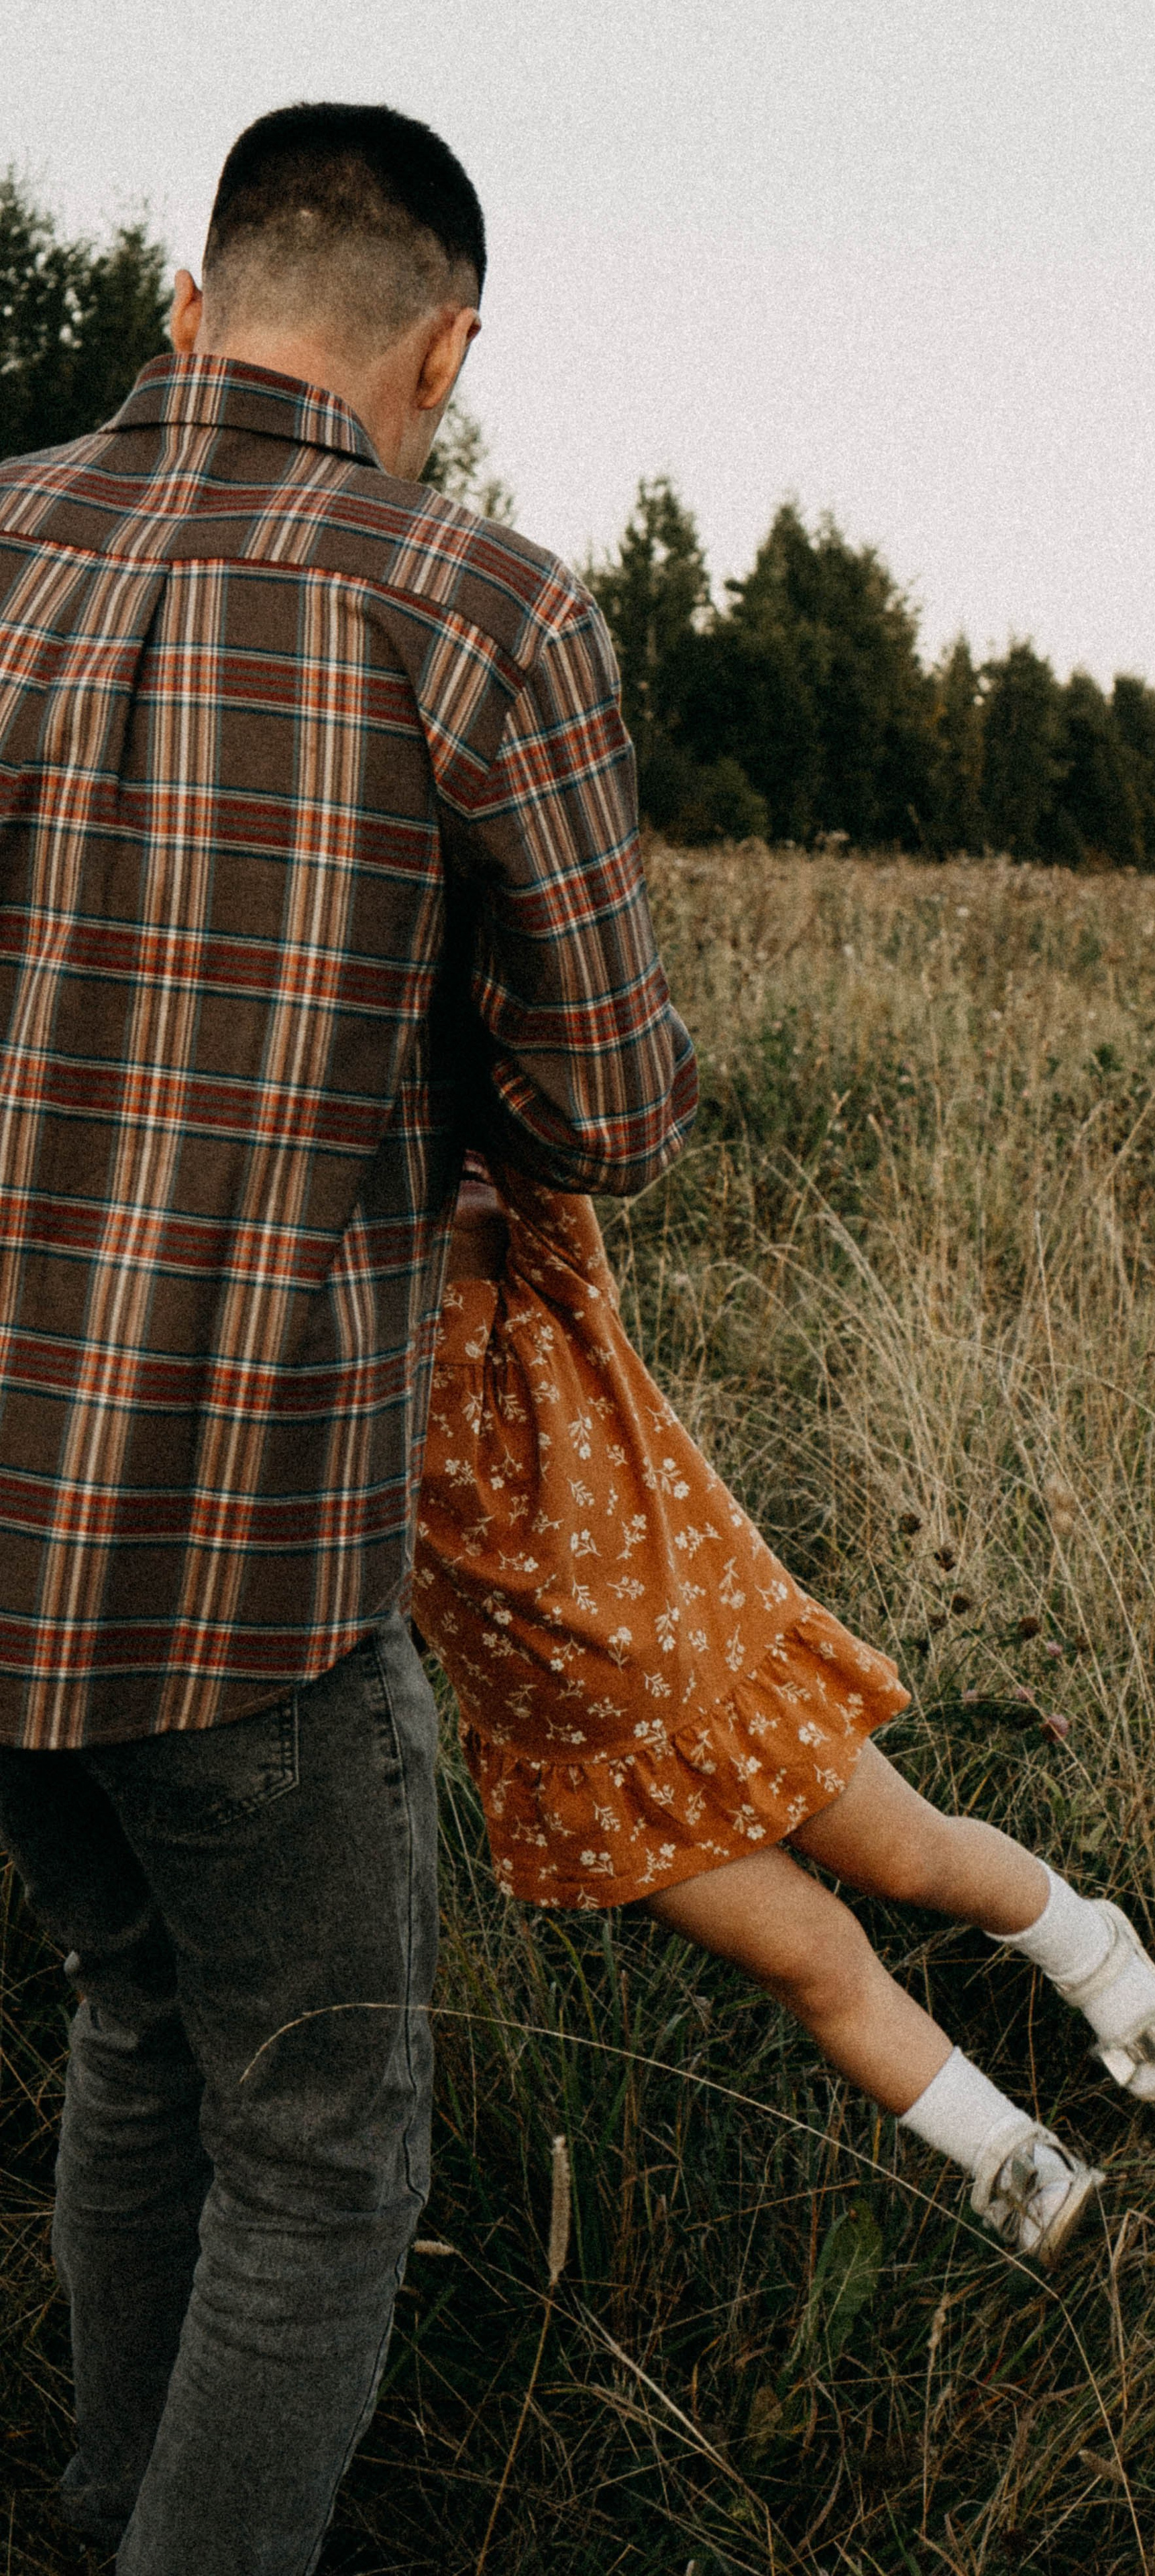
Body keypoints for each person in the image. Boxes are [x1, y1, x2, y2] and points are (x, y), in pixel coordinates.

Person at [0, 105, 694, 2573]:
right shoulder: (475, 600)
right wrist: (461, 1100)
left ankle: (103, 2505)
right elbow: (613, 1104)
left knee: (130, 2015)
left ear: (187, 311)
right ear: (447, 351)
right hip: (234, 1548)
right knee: (320, 2139)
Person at [413, 1159, 1155, 2266]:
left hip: (728, 1683)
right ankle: (1007, 2157)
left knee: (913, 1862)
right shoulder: (327, 1403)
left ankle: (1088, 1944)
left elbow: (552, 1121)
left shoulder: (546, 1287)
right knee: (814, 1961)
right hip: (596, 1771)